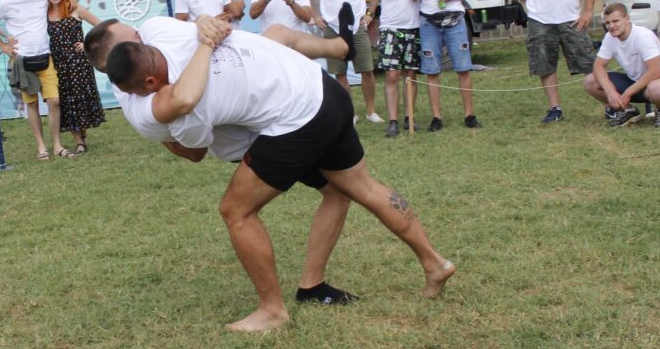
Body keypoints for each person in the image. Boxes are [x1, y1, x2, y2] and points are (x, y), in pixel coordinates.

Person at [87, 16, 454, 332]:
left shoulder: (166, 97)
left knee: (236, 211)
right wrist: (206, 34)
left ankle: (272, 311)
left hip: (295, 117)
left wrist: (166, 135)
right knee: (353, 189)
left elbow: (194, 146)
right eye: (133, 36)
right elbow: (192, 65)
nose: (140, 33)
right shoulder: (164, 37)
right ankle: (432, 264)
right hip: (321, 89)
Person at [85, 15, 364, 310]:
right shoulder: (144, 106)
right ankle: (283, 302)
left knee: (279, 33)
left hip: (282, 113)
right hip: (263, 135)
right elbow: (191, 133)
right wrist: (206, 46)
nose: (142, 36)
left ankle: (340, 47)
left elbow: (208, 27)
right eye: (135, 38)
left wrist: (205, 23)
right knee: (242, 210)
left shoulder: (156, 33)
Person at [0, 0, 66, 161]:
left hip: (45, 56)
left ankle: (57, 145)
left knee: (54, 101)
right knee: (32, 104)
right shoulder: (6, 2)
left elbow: (61, 2)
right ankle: (41, 145)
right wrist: (3, 46)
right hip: (22, 60)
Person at [306, 0, 383, 123]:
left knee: (367, 70)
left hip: (357, 27)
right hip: (332, 28)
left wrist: (370, 13)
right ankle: (351, 113)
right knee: (339, 73)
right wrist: (316, 16)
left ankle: (371, 112)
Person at [410, 0, 480, 130]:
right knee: (432, 71)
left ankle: (469, 115)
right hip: (429, 22)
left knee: (463, 68)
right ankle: (436, 117)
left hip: (455, 20)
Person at [582, 3, 660, 127]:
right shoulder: (609, 37)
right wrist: (610, 92)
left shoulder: (643, 35)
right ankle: (629, 111)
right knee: (590, 81)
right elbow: (598, 66)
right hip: (632, 81)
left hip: (658, 80)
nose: (611, 26)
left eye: (616, 21)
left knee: (657, 90)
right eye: (608, 23)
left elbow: (655, 72)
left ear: (627, 19)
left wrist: (627, 93)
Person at [45, 0, 105, 156]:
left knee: (80, 100)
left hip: (79, 64)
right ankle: (79, 141)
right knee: (67, 102)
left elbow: (100, 25)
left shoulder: (74, 8)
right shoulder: (45, 13)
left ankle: (82, 134)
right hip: (59, 65)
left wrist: (87, 44)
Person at [371, 0, 422, 137]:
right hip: (390, 29)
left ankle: (409, 117)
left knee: (411, 76)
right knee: (392, 76)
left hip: (413, 27)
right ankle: (393, 121)